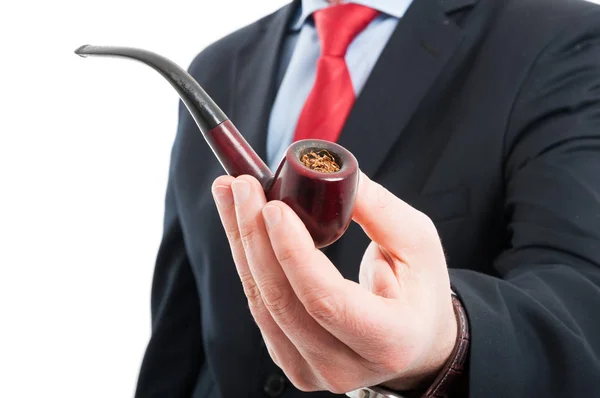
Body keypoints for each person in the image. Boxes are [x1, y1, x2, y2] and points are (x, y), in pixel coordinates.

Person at [134, 0, 600, 396]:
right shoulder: (218, 64)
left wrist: (447, 340)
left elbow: (581, 296)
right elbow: (182, 324)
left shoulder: (561, 37)